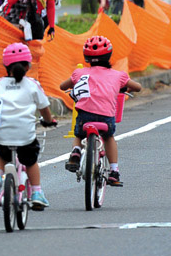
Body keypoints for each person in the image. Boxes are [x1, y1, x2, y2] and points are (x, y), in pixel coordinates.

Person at [0, 42, 57, 209]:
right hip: (24, 135)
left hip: (1, 133)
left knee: (2, 155)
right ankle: (37, 192)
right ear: (28, 65)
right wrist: (49, 120)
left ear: (5, 65)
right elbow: (44, 108)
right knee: (30, 162)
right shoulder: (32, 84)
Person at [59, 36, 142, 186]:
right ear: (109, 55)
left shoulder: (79, 73)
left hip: (85, 116)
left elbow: (62, 86)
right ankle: (114, 171)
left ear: (86, 57)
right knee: (109, 137)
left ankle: (76, 151)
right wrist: (122, 87)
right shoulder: (119, 75)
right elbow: (138, 87)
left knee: (79, 133)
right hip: (106, 118)